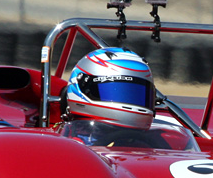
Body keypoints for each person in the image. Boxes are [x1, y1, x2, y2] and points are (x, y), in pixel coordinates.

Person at [59, 47, 196, 150]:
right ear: (84, 87)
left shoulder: (161, 142)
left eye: (137, 94)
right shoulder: (70, 145)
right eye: (115, 91)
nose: (129, 101)